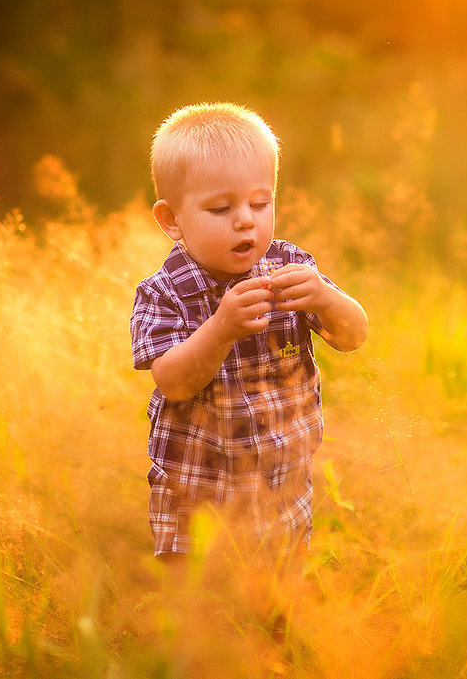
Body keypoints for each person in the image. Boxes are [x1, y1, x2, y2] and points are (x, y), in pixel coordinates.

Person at [129, 102, 368, 618]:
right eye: (221, 209)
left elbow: (354, 335)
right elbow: (171, 381)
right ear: (172, 219)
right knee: (196, 618)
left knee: (275, 611)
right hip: (198, 489)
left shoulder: (292, 269)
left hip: (283, 486)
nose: (246, 220)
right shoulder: (165, 293)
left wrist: (325, 298)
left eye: (261, 203)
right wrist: (220, 328)